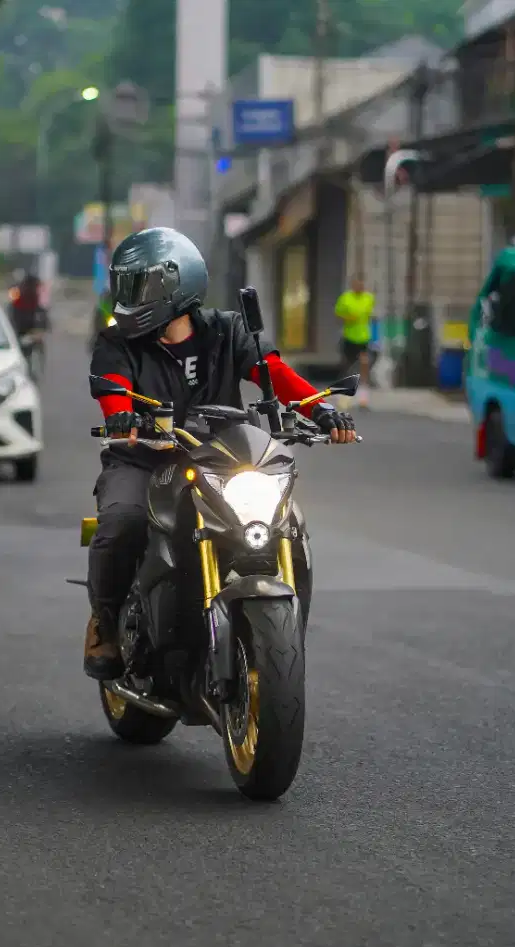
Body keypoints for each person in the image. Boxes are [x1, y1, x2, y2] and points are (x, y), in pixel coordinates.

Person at [84, 227, 357, 680]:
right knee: (121, 522)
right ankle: (105, 621)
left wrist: (321, 409)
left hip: (221, 458)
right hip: (144, 458)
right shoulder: (117, 343)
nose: (129, 297)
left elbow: (273, 373)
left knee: (285, 521)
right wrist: (122, 418)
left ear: (177, 285)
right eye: (125, 285)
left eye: (140, 286)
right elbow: (114, 389)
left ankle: (283, 631)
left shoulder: (227, 330)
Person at [334, 276, 375, 407]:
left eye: (362, 284)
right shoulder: (346, 298)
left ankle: (363, 396)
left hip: (363, 336)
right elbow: (338, 313)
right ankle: (344, 395)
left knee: (364, 363)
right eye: (357, 284)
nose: (360, 287)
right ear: (353, 285)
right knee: (347, 365)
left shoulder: (368, 298)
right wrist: (348, 317)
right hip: (349, 336)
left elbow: (369, 315)